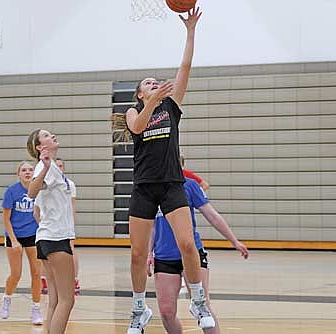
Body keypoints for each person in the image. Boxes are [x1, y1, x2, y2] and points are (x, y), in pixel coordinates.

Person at [112, 7, 213, 334]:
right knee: (138, 254)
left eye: (157, 82)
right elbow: (138, 127)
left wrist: (191, 32)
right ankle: (139, 310)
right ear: (140, 94)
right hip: (143, 187)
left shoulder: (172, 105)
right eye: (147, 84)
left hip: (171, 185)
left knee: (187, 244)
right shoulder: (133, 111)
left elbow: (185, 67)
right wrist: (152, 101)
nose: (154, 84)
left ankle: (199, 302)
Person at [147, 177, 249, 333]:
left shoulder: (189, 185)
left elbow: (212, 215)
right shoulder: (152, 188)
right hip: (164, 257)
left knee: (203, 305)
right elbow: (152, 226)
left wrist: (234, 241)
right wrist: (148, 252)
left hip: (191, 253)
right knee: (167, 313)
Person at [27, 129, 76, 334]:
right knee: (67, 300)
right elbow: (31, 191)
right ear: (39, 147)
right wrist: (46, 167)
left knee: (55, 300)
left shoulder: (53, 167)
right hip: (55, 238)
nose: (52, 135)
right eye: (46, 135)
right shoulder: (43, 166)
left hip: (48, 237)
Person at [0, 161, 43, 326]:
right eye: (24, 170)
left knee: (37, 273)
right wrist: (14, 240)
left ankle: (36, 309)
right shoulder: (11, 191)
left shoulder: (39, 190)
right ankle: (6, 298)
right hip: (15, 235)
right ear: (18, 174)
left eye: (30, 169)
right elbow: (6, 219)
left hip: (33, 234)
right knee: (16, 274)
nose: (27, 172)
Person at [38, 158, 81, 295]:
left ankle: (73, 279)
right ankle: (46, 279)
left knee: (71, 251)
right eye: (57, 166)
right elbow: (36, 206)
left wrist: (71, 228)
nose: (59, 168)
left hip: (64, 228)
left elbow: (72, 207)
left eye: (61, 166)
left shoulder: (69, 184)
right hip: (50, 230)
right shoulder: (44, 182)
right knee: (64, 300)